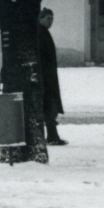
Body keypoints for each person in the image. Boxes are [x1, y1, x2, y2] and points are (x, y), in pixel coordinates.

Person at [38, 8, 66, 146]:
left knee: (50, 106)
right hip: (45, 77)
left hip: (48, 76)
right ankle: (52, 136)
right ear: (41, 18)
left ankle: (52, 135)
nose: (51, 21)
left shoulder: (43, 33)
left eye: (52, 18)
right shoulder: (40, 33)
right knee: (49, 106)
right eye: (48, 18)